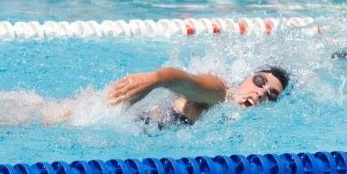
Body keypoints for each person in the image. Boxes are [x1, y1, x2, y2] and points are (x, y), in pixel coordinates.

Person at [107, 66, 289, 128]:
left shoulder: (235, 119)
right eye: (259, 81)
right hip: (124, 119)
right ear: (245, 79)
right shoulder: (220, 93)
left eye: (271, 95)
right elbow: (187, 81)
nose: (260, 92)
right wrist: (157, 78)